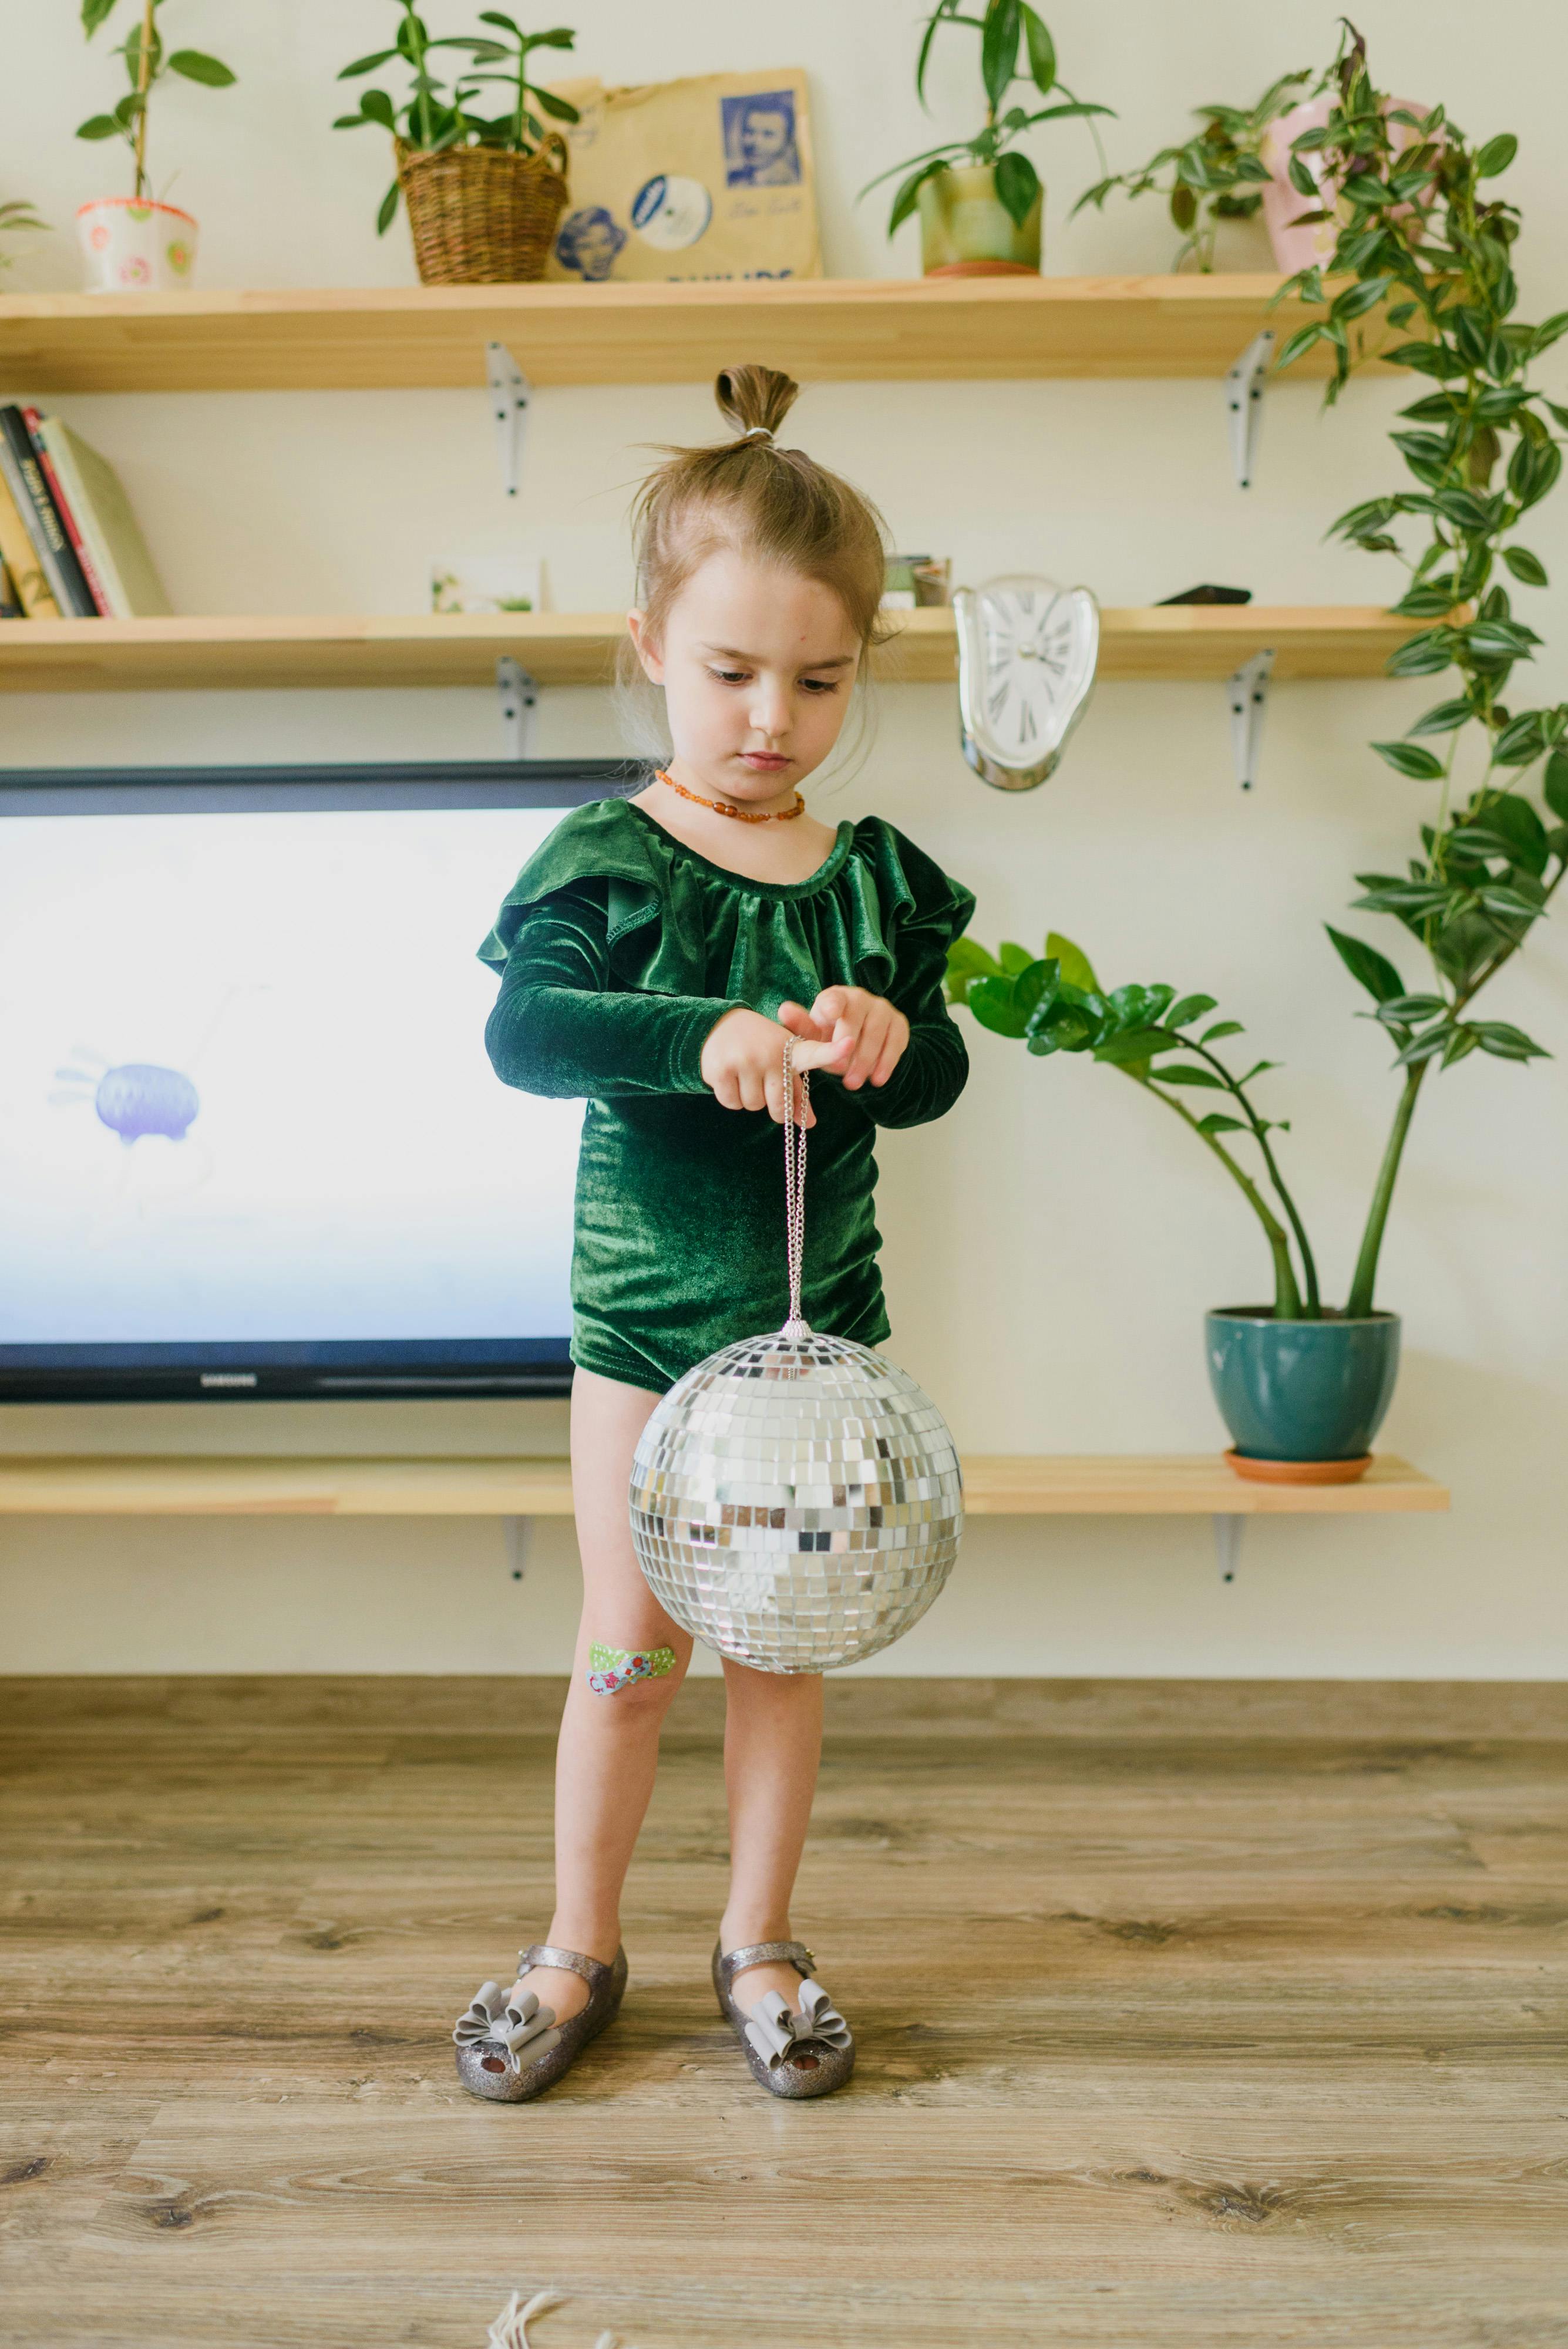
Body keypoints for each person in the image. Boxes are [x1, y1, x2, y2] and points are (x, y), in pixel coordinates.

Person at [454, 363, 973, 2104]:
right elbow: (529, 1037)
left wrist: (892, 1044)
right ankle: (574, 1941)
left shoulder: (876, 877)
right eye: (734, 672)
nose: (772, 716)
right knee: (629, 1647)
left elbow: (937, 1076)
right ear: (652, 645)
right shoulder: (610, 855)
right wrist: (694, 1032)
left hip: (817, 1356)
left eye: (818, 681)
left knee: (778, 1649)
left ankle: (759, 1938)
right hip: (650, 1338)